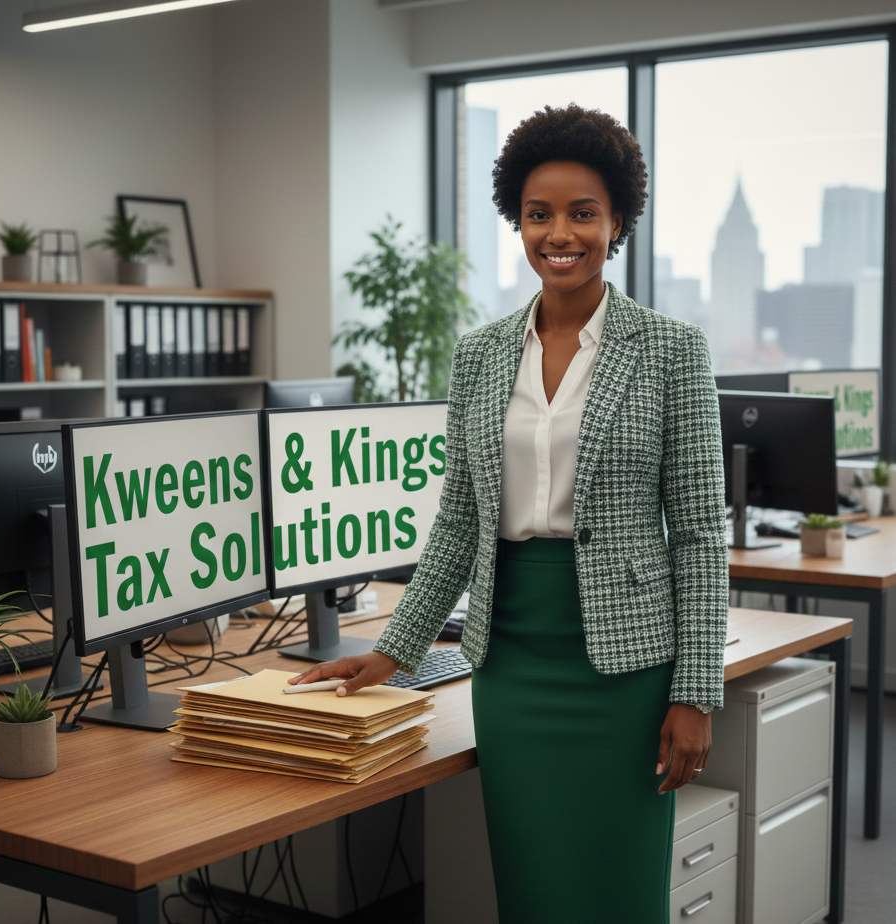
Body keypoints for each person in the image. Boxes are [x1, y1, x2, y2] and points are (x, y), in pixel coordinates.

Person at [291, 104, 729, 923]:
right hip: (513, 664)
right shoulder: (481, 352)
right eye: (538, 215)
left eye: (581, 213)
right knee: (532, 891)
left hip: (626, 671)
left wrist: (696, 691)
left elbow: (702, 534)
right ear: (517, 223)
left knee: (620, 892)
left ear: (618, 221)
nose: (558, 233)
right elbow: (459, 522)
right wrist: (393, 652)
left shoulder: (672, 348)